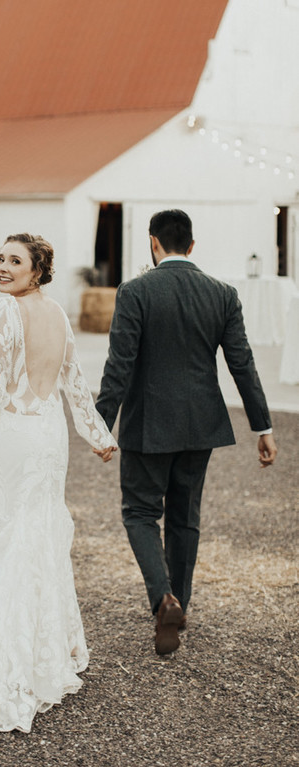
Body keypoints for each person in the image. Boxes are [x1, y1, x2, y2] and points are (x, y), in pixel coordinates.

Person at [0, 233, 117, 733]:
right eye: (0, 259)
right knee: (39, 535)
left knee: (3, 540)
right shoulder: (59, 314)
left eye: (14, 261)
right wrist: (97, 435)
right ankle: (48, 649)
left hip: (14, 438)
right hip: (49, 437)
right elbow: (75, 381)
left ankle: (2, 667)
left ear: (36, 270)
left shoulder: (5, 312)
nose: (2, 268)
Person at [94, 209, 277, 656]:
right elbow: (242, 364)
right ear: (191, 246)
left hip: (147, 423)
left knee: (140, 512)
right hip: (201, 424)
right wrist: (263, 426)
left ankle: (164, 600)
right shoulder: (222, 294)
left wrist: (98, 424)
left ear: (153, 243)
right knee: (184, 516)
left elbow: (120, 363)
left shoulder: (135, 291)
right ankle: (182, 604)